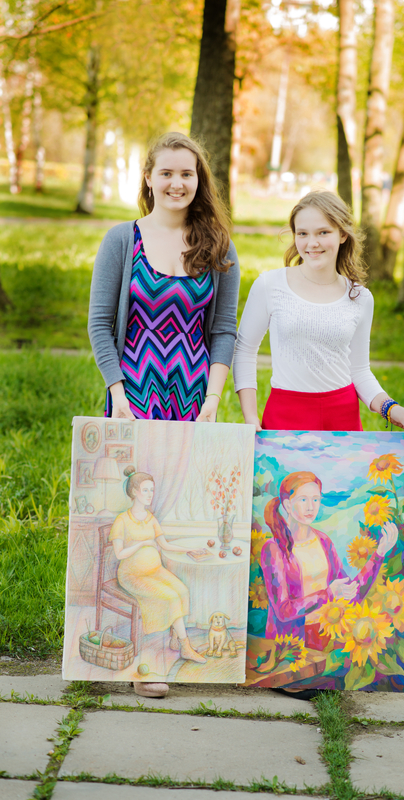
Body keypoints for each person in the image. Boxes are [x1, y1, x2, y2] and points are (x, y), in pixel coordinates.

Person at [88, 131, 240, 696]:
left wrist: (212, 400)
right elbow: (99, 323)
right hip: (133, 395)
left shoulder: (218, 246)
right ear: (149, 178)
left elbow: (223, 330)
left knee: (171, 518)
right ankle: (141, 663)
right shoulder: (122, 240)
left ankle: (173, 646)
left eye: (188, 174)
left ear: (200, 181)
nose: (178, 183)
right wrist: (117, 392)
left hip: (193, 399)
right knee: (137, 516)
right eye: (168, 173)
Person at [233, 190, 404, 436]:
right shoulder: (270, 285)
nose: (312, 243)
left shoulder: (360, 297)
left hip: (342, 418)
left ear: (342, 234)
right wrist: (250, 417)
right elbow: (245, 350)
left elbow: (359, 371)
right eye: (302, 233)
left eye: (323, 232)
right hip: (285, 414)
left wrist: (391, 408)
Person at [262, 471, 397, 644]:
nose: (311, 507)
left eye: (315, 499)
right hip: (291, 643)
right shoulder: (274, 549)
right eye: (303, 499)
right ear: (288, 505)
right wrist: (329, 594)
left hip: (328, 635)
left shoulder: (323, 541)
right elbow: (283, 611)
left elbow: (351, 594)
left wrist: (379, 554)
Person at [110, 467, 206, 697]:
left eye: (152, 490)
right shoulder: (122, 520)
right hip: (132, 575)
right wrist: (142, 544)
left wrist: (189, 550)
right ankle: (185, 646)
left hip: (155, 571)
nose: (150, 494)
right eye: (145, 490)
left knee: (182, 591)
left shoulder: (151, 518)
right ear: (134, 492)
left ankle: (176, 638)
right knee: (170, 597)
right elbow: (119, 554)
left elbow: (165, 545)